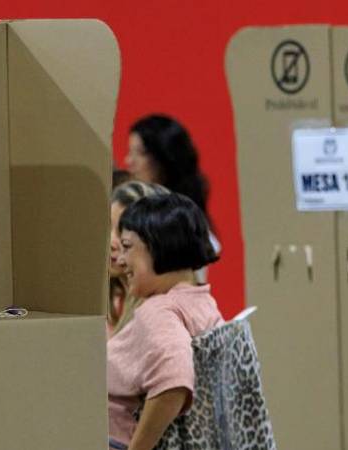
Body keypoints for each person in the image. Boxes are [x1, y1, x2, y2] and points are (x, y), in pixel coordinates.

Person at [107, 194, 223, 450]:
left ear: (158, 245)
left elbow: (174, 379)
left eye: (127, 246)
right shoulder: (201, 301)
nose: (121, 260)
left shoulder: (160, 311)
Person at [125, 115, 222, 274]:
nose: (129, 161)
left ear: (164, 159)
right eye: (130, 152)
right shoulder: (128, 209)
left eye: (139, 153)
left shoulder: (190, 229)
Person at [107, 181, 171, 336]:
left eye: (123, 231)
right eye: (107, 227)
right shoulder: (114, 304)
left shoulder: (163, 318)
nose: (110, 243)